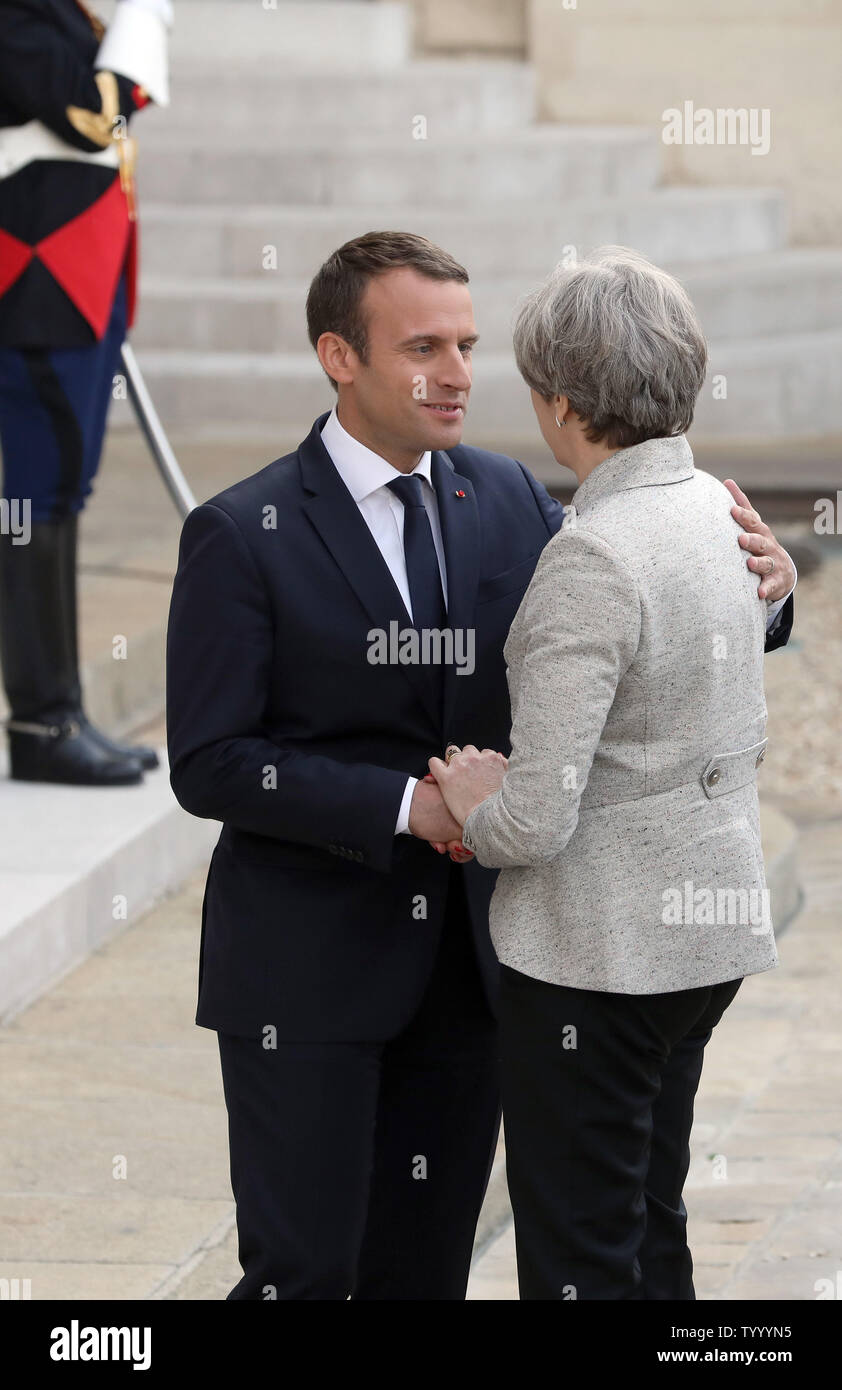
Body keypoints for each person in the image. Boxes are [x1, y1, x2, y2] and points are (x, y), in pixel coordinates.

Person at [165, 231, 795, 1301]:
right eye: (422, 345)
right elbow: (211, 763)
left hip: (473, 972)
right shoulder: (241, 531)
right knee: (305, 1271)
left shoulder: (506, 497)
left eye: (464, 343)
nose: (457, 373)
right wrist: (409, 805)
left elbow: (628, 623)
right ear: (337, 355)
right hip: (308, 973)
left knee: (424, 1272)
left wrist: (765, 595)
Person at [429, 246, 784, 1301]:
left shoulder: (592, 551)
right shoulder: (715, 510)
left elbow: (534, 821)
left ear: (561, 402)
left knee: (580, 1256)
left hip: (602, 956)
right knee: (647, 1224)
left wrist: (469, 800)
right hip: (701, 937)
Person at [0, 0, 171, 785]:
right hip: (38, 277)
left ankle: (60, 711)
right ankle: (41, 721)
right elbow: (93, 115)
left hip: (77, 275)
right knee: (35, 492)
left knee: (62, 487)